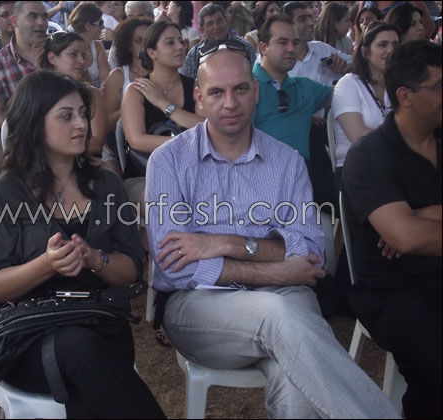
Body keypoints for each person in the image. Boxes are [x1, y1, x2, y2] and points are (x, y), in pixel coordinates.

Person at [145, 40, 401, 419]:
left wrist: (223, 244)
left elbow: (309, 252)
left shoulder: (287, 161)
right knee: (280, 315)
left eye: (240, 89)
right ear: (199, 97)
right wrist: (279, 269)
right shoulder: (168, 161)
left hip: (286, 298)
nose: (230, 103)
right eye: (216, 92)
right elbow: (176, 267)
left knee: (293, 374)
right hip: (199, 308)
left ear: (256, 91)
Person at [0, 69, 166, 419]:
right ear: (34, 123)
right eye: (66, 116)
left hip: (99, 321)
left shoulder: (106, 185)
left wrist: (95, 259)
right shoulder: (7, 192)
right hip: (28, 340)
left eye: (82, 114)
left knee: (92, 354)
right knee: (81, 348)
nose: (81, 125)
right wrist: (46, 265)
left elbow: (131, 270)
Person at [342, 39, 442, 419]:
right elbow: (406, 237)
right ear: (405, 96)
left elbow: (410, 234)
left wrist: (422, 216)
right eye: (439, 86)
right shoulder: (370, 154)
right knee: (436, 366)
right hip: (394, 289)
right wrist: (410, 229)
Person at [252, 15, 334, 208]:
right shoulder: (246, 88)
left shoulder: (306, 88)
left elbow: (344, 95)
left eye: (295, 43)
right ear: (263, 48)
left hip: (301, 182)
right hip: (258, 183)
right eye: (282, 42)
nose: (291, 49)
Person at [121, 21, 204, 190]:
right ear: (152, 52)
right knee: (169, 198)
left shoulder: (194, 86)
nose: (180, 47)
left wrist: (163, 103)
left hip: (192, 172)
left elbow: (205, 127)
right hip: (145, 174)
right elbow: (136, 140)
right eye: (170, 42)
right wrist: (186, 144)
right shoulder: (136, 90)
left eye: (180, 41)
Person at [332, 21, 399, 185]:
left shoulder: (399, 86)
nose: (391, 50)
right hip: (358, 167)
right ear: (365, 52)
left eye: (395, 45)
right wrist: (404, 138)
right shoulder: (348, 84)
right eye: (382, 45)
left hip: (395, 165)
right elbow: (358, 136)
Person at [36, 31, 108, 158]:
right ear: (52, 58)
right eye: (73, 54)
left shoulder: (92, 95)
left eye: (83, 56)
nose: (81, 61)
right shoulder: (36, 94)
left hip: (86, 157)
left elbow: (96, 144)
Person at [0, 1, 47, 128]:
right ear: (14, 21)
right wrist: (22, 133)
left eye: (44, 17)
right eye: (33, 16)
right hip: (23, 133)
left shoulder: (60, 52)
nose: (41, 22)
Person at [179, 3, 256, 80]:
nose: (216, 27)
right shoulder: (194, 55)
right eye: (210, 24)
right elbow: (192, 84)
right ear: (202, 30)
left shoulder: (245, 47)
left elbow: (253, 79)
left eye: (219, 21)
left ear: (227, 21)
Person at [104, 17, 152, 132]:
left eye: (149, 40)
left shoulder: (163, 72)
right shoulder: (118, 76)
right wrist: (134, 104)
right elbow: (107, 122)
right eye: (139, 41)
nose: (145, 45)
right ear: (128, 46)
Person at [69, 3, 110, 88]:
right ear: (88, 26)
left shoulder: (97, 46)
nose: (103, 27)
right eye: (100, 23)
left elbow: (106, 78)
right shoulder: (67, 47)